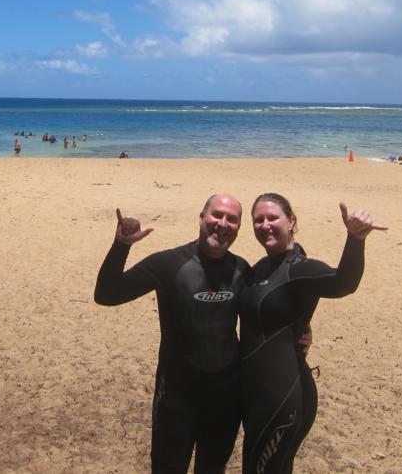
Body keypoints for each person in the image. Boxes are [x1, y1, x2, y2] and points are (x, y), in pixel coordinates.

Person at [95, 195, 249, 473]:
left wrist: (302, 328)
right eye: (216, 215)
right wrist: (121, 245)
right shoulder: (167, 264)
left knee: (213, 468)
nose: (222, 223)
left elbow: (266, 312)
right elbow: (107, 294)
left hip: (226, 397)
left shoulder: (242, 270)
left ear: (239, 227)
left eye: (232, 218)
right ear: (201, 218)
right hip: (176, 397)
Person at [240, 193, 385, 474]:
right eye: (258, 220)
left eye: (273, 218)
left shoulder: (299, 268)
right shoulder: (260, 268)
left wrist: (355, 240)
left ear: (291, 221)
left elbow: (343, 282)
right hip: (258, 394)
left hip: (283, 396)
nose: (265, 225)